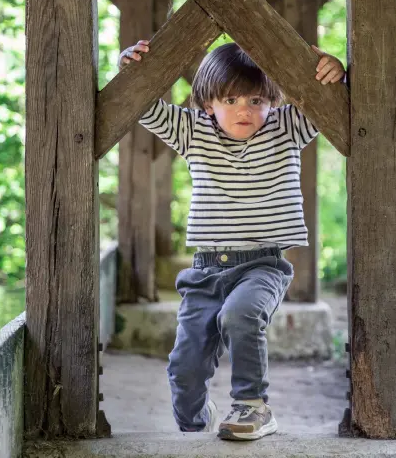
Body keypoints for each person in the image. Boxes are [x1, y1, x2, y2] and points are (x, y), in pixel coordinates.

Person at [118, 40, 345, 441]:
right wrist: (132, 66)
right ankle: (196, 416)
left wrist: (331, 68)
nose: (245, 109)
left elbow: (331, 100)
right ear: (208, 103)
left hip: (263, 265)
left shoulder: (287, 127)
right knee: (184, 368)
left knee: (239, 314)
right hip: (206, 271)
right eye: (231, 98)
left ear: (272, 100)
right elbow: (143, 104)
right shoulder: (192, 130)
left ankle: (253, 406)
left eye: (256, 99)